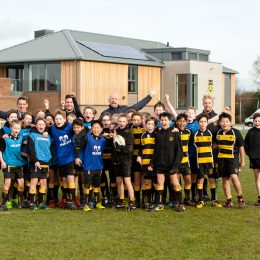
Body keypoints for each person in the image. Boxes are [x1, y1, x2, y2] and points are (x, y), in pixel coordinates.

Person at [149, 112, 184, 212]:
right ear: (159, 121)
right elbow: (155, 150)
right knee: (160, 183)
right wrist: (152, 162)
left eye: (165, 120)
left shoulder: (175, 132)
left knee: (174, 182)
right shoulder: (157, 133)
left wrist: (176, 164)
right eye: (162, 120)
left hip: (172, 164)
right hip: (160, 163)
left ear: (169, 121)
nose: (163, 122)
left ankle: (180, 203)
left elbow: (179, 151)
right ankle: (159, 204)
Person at [75, 120, 106, 212]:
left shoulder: (103, 139)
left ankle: (97, 202)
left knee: (97, 185)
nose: (96, 129)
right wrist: (77, 157)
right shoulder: (87, 137)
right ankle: (84, 203)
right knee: (87, 185)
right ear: (91, 129)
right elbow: (78, 147)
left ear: (101, 129)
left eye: (98, 128)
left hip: (99, 166)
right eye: (94, 127)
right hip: (88, 166)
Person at [192, 113, 222, 209]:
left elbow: (216, 144)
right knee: (200, 179)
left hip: (210, 161)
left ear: (207, 123)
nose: (203, 123)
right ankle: (201, 200)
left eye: (204, 122)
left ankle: (214, 199)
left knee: (211, 179)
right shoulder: (195, 134)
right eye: (201, 122)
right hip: (199, 161)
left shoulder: (211, 133)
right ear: (198, 123)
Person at [216, 112, 246, 208]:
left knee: (234, 177)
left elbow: (241, 147)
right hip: (221, 160)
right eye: (222, 121)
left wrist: (243, 160)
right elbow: (214, 145)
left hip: (232, 159)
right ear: (219, 123)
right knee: (225, 180)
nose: (225, 123)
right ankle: (228, 200)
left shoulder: (236, 132)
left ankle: (240, 199)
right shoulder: (218, 133)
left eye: (227, 121)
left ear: (230, 122)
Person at [49, 109, 76, 210]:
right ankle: (66, 200)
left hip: (70, 158)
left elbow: (82, 130)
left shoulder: (70, 128)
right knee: (64, 181)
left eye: (60, 118)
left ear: (65, 119)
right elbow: (41, 130)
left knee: (70, 180)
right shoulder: (52, 129)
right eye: (56, 119)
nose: (58, 120)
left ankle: (72, 200)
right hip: (60, 159)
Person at [0, 120, 26, 210]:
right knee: (7, 184)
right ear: (11, 128)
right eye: (15, 128)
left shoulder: (21, 138)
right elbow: (0, 151)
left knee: (21, 184)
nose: (16, 130)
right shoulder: (5, 139)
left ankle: (20, 202)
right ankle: (4, 203)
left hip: (18, 164)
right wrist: (2, 162)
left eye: (18, 128)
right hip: (9, 164)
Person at [112, 113, 136, 211]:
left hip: (126, 160)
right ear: (117, 122)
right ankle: (121, 201)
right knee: (119, 181)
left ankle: (132, 202)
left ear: (127, 122)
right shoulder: (116, 131)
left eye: (123, 121)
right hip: (117, 161)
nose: (121, 123)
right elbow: (114, 146)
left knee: (127, 181)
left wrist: (119, 148)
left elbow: (129, 148)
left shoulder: (128, 132)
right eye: (120, 121)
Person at [27, 118, 51, 210]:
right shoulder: (32, 135)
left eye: (42, 124)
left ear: (45, 126)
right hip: (36, 162)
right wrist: (35, 160)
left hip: (46, 162)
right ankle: (32, 203)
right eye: (39, 124)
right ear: (36, 125)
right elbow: (30, 149)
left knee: (43, 182)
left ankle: (41, 202)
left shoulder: (48, 136)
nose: (41, 126)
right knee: (34, 181)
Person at [136, 117, 157, 210]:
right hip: (145, 163)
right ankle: (147, 202)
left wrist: (152, 164)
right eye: (148, 124)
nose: (150, 126)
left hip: (154, 163)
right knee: (147, 182)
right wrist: (139, 156)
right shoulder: (143, 135)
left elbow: (157, 151)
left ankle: (155, 201)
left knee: (156, 183)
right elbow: (141, 148)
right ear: (145, 125)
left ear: (155, 126)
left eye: (152, 124)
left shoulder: (157, 135)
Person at [175, 113, 194, 206]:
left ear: (186, 122)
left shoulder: (189, 132)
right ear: (176, 122)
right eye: (180, 121)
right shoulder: (174, 131)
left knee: (188, 180)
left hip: (186, 161)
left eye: (183, 121)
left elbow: (191, 144)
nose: (181, 123)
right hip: (176, 161)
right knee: (177, 181)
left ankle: (187, 198)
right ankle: (178, 200)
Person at [131, 112, 146, 208]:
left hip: (144, 157)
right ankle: (137, 200)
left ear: (141, 120)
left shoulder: (145, 130)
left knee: (144, 179)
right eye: (134, 120)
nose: (136, 122)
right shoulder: (130, 130)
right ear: (131, 120)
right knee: (136, 179)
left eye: (138, 120)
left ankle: (145, 200)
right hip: (133, 158)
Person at [244, 113, 260, 206]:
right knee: (257, 178)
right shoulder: (250, 132)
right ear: (253, 121)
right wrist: (250, 155)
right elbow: (245, 145)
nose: (257, 122)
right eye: (256, 121)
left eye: (259, 121)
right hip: (254, 159)